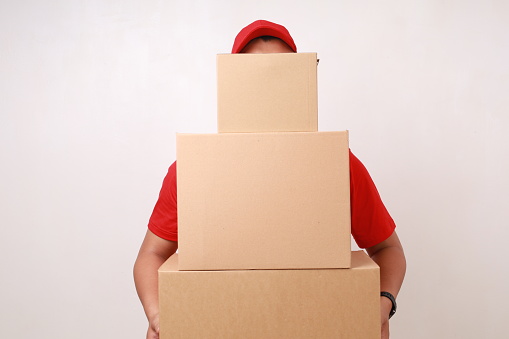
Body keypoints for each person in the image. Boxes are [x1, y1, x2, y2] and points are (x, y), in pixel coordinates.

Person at [134, 20, 406, 339]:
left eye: (279, 74)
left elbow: (388, 248)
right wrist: (159, 316)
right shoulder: (194, 169)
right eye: (254, 75)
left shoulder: (336, 164)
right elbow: (151, 255)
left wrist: (382, 303)